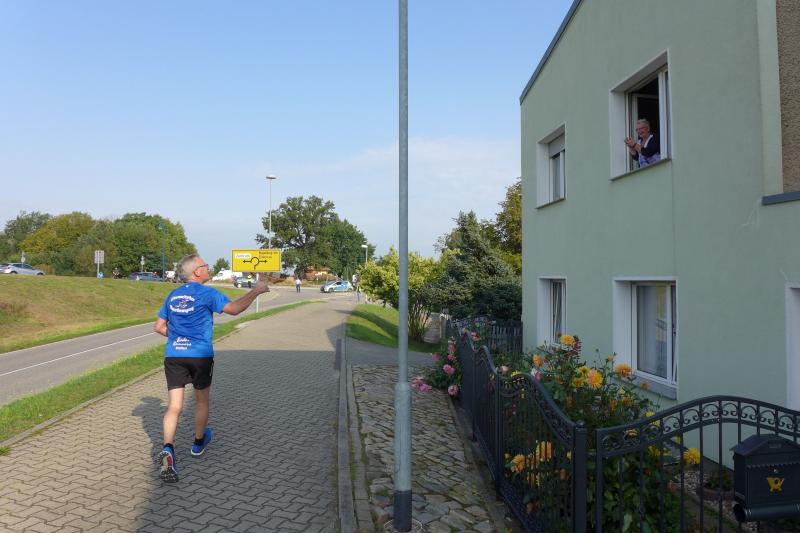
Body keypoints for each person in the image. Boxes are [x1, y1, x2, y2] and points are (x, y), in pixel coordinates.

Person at [152, 253, 269, 483]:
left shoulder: (173, 294)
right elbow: (234, 309)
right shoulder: (207, 293)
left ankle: (168, 448)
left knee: (174, 406)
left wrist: (178, 337)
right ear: (197, 272)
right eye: (205, 265)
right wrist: (256, 291)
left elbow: (158, 327)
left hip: (174, 355)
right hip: (200, 356)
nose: (209, 268)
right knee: (201, 401)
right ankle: (198, 443)